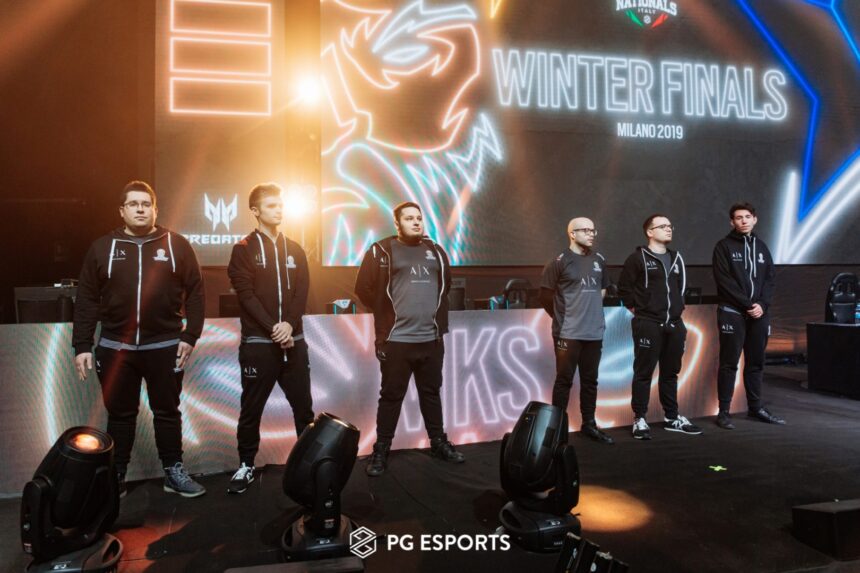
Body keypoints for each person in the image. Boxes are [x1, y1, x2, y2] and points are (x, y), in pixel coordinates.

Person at [72, 180, 206, 498]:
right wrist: (82, 344)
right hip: (115, 347)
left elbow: (197, 292)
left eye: (146, 204)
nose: (141, 209)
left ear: (155, 210)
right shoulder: (102, 248)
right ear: (122, 211)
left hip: (164, 345)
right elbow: (87, 298)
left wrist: (190, 335)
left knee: (167, 411)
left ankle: (173, 472)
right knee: (120, 415)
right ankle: (116, 475)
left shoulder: (176, 245)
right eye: (133, 204)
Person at [355, 201, 465, 476]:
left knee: (431, 394)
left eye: (419, 218)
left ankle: (438, 443)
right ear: (397, 223)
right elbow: (363, 289)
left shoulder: (435, 251)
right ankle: (381, 451)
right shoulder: (381, 250)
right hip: (397, 340)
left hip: (431, 339)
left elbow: (445, 286)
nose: (416, 222)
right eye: (409, 218)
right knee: (391, 396)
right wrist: (385, 313)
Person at [226, 183, 314, 493]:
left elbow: (301, 293)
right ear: (255, 211)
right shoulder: (243, 248)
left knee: (304, 409)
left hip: (294, 341)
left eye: (281, 205)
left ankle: (309, 466)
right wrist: (274, 328)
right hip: (259, 345)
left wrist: (289, 325)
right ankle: (246, 465)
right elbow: (246, 295)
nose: (279, 210)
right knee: (251, 409)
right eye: (271, 206)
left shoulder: (296, 249)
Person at [618, 215, 703, 440]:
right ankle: (639, 419)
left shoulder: (677, 258)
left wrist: (677, 309)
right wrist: (641, 310)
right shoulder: (637, 258)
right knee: (643, 373)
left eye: (669, 226)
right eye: (662, 226)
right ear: (649, 232)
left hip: (674, 325)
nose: (668, 229)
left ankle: (671, 418)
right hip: (648, 324)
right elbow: (624, 288)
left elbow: (681, 288)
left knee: (670, 373)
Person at [539, 217, 614, 445]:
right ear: (572, 234)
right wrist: (563, 317)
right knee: (564, 381)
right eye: (585, 230)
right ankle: (557, 430)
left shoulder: (599, 259)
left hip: (594, 332)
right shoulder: (559, 262)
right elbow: (545, 296)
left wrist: (590, 311)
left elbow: (603, 290)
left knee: (591, 381)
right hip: (568, 333)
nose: (591, 234)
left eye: (593, 230)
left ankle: (589, 424)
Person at [712, 202, 784, 429]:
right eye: (738, 217)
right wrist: (747, 304)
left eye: (747, 216)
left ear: (754, 219)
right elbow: (724, 281)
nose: (743, 221)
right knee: (729, 363)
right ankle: (723, 412)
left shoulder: (762, 247)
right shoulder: (723, 246)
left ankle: (755, 408)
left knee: (756, 363)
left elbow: (770, 279)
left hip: (759, 314)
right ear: (731, 222)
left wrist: (762, 304)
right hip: (732, 312)